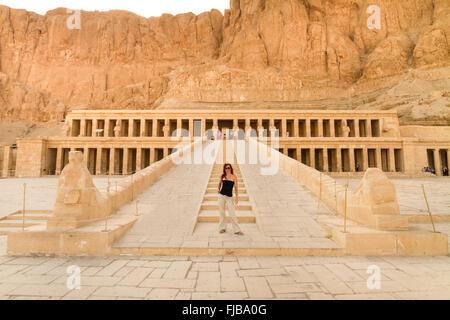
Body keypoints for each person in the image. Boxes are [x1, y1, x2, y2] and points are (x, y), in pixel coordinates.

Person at [217, 163, 243, 235]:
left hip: (229, 197)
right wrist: (218, 189)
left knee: (232, 213)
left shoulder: (234, 177)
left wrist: (237, 197)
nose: (227, 169)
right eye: (226, 168)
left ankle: (237, 230)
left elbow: (236, 188)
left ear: (231, 168)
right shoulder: (222, 176)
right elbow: (219, 184)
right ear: (224, 169)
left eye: (228, 168)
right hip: (221, 196)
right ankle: (222, 228)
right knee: (222, 212)